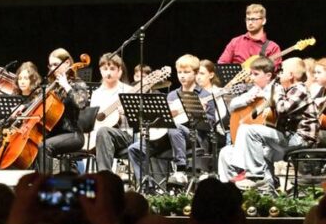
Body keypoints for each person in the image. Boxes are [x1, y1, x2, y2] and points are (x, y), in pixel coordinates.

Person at [218, 56, 318, 192]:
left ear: (291, 75)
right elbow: (260, 111)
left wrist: (275, 94)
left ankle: (255, 177)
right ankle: (267, 190)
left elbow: (283, 108)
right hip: (288, 136)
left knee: (249, 131)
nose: (279, 74)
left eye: (282, 71)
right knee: (257, 151)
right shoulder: (286, 90)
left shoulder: (299, 89)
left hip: (300, 138)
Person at [128, 54, 216, 186]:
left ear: (196, 73)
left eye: (186, 72)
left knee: (175, 126)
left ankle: (180, 170)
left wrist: (198, 113)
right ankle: (146, 186)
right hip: (166, 139)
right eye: (179, 72)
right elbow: (162, 120)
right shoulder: (172, 95)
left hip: (193, 138)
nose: (182, 75)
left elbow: (210, 125)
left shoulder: (205, 96)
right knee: (134, 149)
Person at [34, 48, 89, 173]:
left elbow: (82, 103)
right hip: (54, 134)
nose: (52, 68)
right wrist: (25, 108)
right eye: (50, 65)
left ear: (67, 63)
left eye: (55, 64)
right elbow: (37, 105)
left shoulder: (77, 84)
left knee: (44, 146)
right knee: (34, 144)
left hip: (73, 134)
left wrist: (67, 86)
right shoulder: (52, 87)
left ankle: (44, 186)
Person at [0, 61, 41, 170]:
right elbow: (5, 119)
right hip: (9, 135)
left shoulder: (37, 98)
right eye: (20, 78)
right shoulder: (14, 97)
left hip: (25, 137)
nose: (22, 81)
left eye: (26, 78)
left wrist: (24, 107)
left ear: (33, 80)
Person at [89, 53, 134, 173]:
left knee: (103, 131)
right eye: (105, 69)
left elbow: (137, 120)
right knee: (101, 132)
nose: (108, 72)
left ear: (119, 71)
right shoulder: (96, 93)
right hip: (102, 136)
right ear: (100, 70)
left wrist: (127, 113)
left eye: (112, 68)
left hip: (125, 134)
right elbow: (94, 120)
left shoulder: (128, 90)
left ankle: (104, 176)